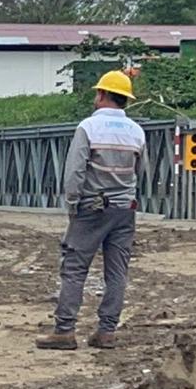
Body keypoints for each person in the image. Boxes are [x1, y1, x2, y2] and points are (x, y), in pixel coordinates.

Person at [36, 71, 146, 351]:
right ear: (125, 100)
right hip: (124, 210)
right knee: (117, 272)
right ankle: (106, 332)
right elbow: (141, 172)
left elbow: (75, 172)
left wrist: (72, 205)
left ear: (101, 95)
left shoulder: (88, 127)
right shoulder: (137, 131)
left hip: (92, 209)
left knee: (74, 269)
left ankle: (64, 331)